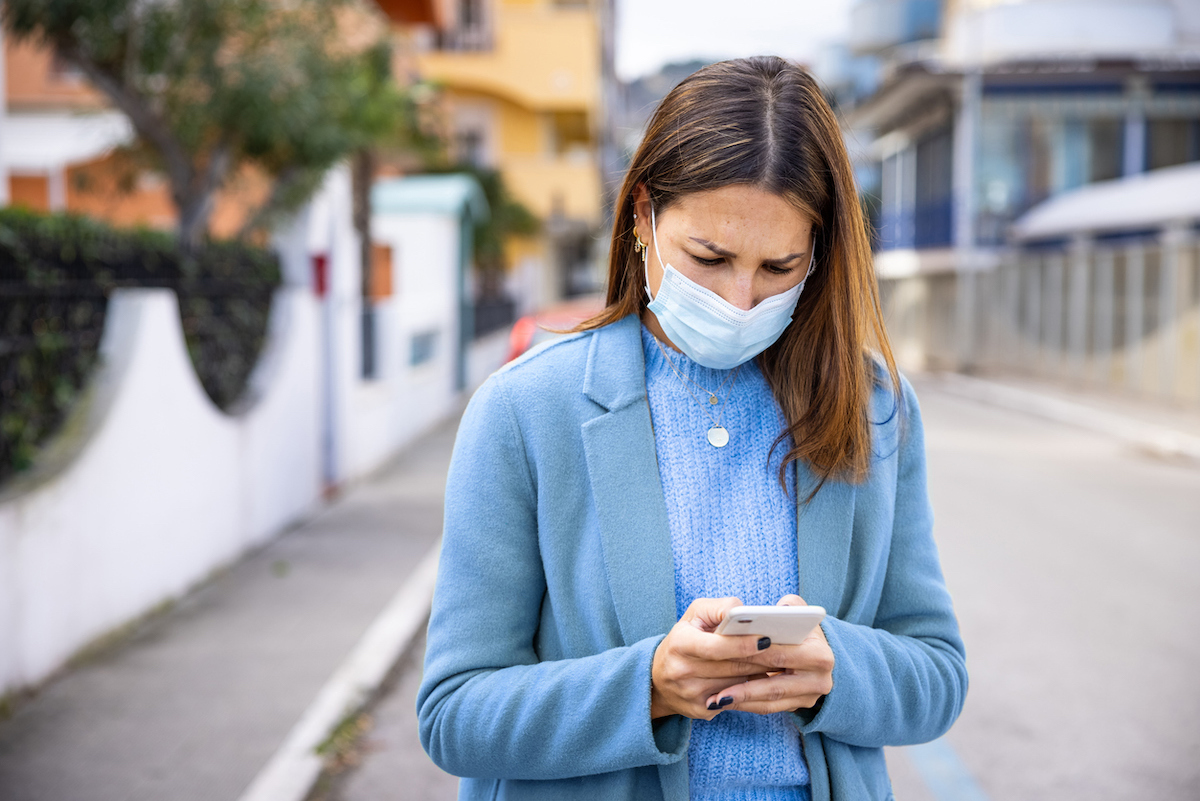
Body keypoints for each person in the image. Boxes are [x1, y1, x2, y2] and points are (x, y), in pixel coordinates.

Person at [417, 56, 967, 801]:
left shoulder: (875, 407)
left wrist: (839, 668)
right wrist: (646, 685)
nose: (741, 299)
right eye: (709, 258)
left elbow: (937, 673)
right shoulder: (525, 409)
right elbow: (454, 713)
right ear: (643, 216)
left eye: (779, 266)